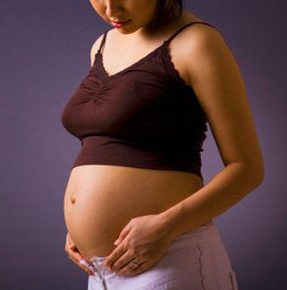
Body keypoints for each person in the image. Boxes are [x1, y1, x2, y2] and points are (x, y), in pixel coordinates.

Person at [61, 0, 264, 289]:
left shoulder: (197, 42)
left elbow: (248, 169)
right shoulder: (102, 45)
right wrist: (80, 231)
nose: (111, 10)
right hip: (102, 272)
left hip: (169, 259)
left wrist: (166, 226)